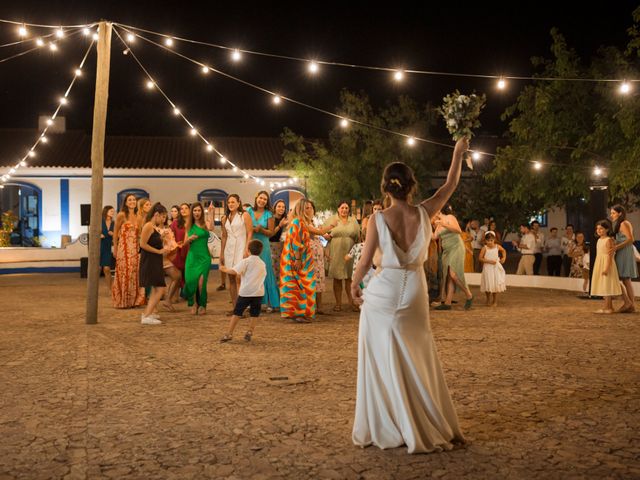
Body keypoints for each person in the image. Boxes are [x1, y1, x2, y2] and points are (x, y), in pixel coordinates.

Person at [350, 137, 468, 454]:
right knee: (418, 356)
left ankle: (390, 421)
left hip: (383, 291)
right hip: (415, 289)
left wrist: (354, 284)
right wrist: (457, 153)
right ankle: (424, 419)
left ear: (386, 188)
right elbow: (450, 185)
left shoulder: (377, 219)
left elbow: (364, 260)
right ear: (411, 186)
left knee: (380, 358)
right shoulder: (426, 211)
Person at [219, 240, 267, 343]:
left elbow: (234, 271)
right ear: (261, 251)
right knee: (255, 314)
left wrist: (224, 269)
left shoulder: (246, 261)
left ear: (248, 250)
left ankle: (229, 333)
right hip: (258, 293)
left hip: (245, 293)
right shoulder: (262, 263)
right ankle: (250, 331)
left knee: (237, 313)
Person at [280, 199, 317, 322]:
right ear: (300, 209)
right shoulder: (297, 222)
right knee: (296, 285)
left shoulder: (303, 222)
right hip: (296, 258)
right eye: (306, 208)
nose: (309, 210)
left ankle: (302, 312)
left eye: (310, 207)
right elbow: (296, 242)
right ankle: (298, 314)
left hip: (303, 258)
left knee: (305, 284)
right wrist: (297, 259)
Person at [433, 206, 474, 310]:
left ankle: (469, 295)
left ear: (439, 211)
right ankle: (447, 303)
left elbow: (458, 230)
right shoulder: (438, 225)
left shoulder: (449, 218)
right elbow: (434, 237)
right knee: (449, 276)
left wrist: (444, 224)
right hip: (447, 251)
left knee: (453, 274)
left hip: (456, 247)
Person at [324, 201, 361, 312]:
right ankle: (338, 303)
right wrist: (327, 236)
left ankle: (352, 303)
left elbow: (357, 236)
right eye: (342, 208)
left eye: (346, 208)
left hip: (350, 251)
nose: (344, 210)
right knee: (337, 279)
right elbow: (323, 233)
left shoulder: (353, 220)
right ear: (338, 209)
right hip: (336, 251)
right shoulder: (332, 219)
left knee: (350, 278)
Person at [247, 191, 280, 312]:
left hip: (263, 246)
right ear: (256, 198)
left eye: (265, 199)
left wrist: (261, 229)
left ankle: (269, 302)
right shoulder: (249, 211)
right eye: (260, 198)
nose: (262, 200)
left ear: (267, 202)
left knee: (265, 271)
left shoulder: (268, 214)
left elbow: (271, 233)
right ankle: (253, 301)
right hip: (250, 244)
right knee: (252, 272)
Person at [112, 194, 145, 308]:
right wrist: (115, 247)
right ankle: (123, 300)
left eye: (134, 200)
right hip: (123, 247)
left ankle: (133, 300)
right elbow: (115, 232)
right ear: (125, 203)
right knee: (124, 272)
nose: (132, 201)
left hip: (135, 248)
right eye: (129, 200)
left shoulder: (139, 217)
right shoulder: (121, 215)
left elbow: (140, 234)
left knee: (133, 273)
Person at [221, 195, 253, 309]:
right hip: (228, 250)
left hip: (241, 247)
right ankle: (235, 307)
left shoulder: (244, 215)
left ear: (238, 203)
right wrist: (221, 253)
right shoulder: (224, 218)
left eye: (233, 202)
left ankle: (242, 307)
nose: (230, 204)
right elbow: (224, 236)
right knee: (231, 278)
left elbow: (250, 232)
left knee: (239, 278)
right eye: (229, 202)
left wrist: (246, 248)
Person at [139, 203, 168, 325]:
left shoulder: (153, 227)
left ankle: (148, 313)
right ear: (156, 215)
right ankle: (146, 315)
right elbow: (143, 244)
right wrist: (159, 251)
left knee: (157, 288)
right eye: (162, 217)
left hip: (155, 259)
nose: (163, 220)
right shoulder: (148, 226)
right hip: (150, 260)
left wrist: (161, 237)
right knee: (160, 288)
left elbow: (152, 241)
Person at [182, 202, 212, 315]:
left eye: (199, 210)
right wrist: (189, 239)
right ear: (191, 212)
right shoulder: (188, 225)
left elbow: (212, 227)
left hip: (204, 256)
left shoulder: (206, 223)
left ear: (201, 212)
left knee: (201, 282)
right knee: (191, 281)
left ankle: (202, 305)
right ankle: (193, 303)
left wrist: (211, 213)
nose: (197, 213)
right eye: (195, 210)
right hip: (192, 256)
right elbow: (184, 244)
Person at [590, 220, 625, 314]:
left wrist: (606, 268)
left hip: (607, 264)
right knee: (603, 285)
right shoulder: (599, 240)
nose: (599, 230)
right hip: (600, 263)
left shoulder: (608, 240)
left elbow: (610, 255)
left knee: (607, 285)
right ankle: (607, 307)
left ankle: (609, 307)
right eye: (597, 228)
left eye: (601, 228)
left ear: (607, 229)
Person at [610, 205, 637, 313]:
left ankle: (629, 304)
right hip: (622, 252)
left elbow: (631, 239)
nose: (611, 215)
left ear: (620, 213)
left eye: (613, 213)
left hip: (624, 253)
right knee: (626, 280)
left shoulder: (624, 223)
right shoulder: (620, 224)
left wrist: (616, 247)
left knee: (625, 279)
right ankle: (631, 305)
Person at [168, 203, 191, 303]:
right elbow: (170, 236)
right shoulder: (176, 223)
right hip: (178, 250)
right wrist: (175, 243)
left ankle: (190, 295)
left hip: (190, 250)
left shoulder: (193, 223)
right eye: (182, 209)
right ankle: (173, 296)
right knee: (177, 275)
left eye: (186, 208)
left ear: (190, 210)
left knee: (189, 275)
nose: (184, 210)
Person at [479, 231, 507, 306]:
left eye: (491, 240)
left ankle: (495, 301)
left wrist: (504, 257)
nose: (490, 242)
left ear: (494, 240)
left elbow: (503, 251)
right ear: (485, 241)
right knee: (488, 282)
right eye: (488, 240)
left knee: (495, 283)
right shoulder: (484, 248)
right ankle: (488, 299)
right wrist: (489, 261)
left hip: (495, 268)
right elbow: (480, 258)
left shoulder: (497, 246)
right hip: (487, 268)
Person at [269, 200, 289, 287]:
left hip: (284, 247)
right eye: (279, 206)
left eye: (283, 207)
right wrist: (280, 225)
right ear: (275, 208)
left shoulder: (286, 219)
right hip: (272, 246)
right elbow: (270, 235)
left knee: (283, 270)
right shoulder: (271, 219)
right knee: (274, 270)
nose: (281, 208)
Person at [100, 205, 115, 292]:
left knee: (107, 268)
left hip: (108, 246)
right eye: (111, 211)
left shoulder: (114, 223)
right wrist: (99, 235)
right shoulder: (100, 221)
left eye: (113, 211)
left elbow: (118, 235)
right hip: (99, 246)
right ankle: (93, 288)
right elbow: (93, 232)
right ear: (106, 211)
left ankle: (111, 289)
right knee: (97, 269)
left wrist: (113, 234)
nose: (113, 213)